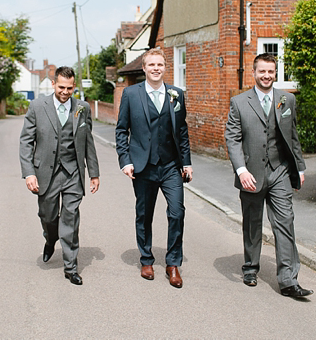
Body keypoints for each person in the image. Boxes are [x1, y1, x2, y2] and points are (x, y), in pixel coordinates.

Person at [224, 53, 313, 298]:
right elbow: (232, 138)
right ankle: (250, 268)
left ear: (276, 73)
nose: (266, 76)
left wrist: (300, 168)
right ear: (254, 73)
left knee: (285, 223)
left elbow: (292, 136)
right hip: (251, 174)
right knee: (253, 224)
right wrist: (241, 170)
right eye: (262, 71)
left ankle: (288, 280)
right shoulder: (239, 102)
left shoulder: (287, 100)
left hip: (280, 171)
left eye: (270, 72)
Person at [115, 47, 193, 288]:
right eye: (152, 65)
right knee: (144, 215)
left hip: (170, 165)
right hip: (143, 166)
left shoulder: (176, 94)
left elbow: (182, 131)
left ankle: (172, 264)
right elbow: (121, 131)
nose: (156, 68)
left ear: (165, 67)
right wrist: (126, 161)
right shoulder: (130, 94)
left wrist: (187, 162)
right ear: (144, 68)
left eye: (160, 65)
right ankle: (146, 259)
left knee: (177, 212)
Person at [19, 66, 100, 286]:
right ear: (53, 84)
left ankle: (70, 267)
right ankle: (50, 238)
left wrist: (94, 172)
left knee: (70, 218)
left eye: (70, 88)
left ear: (75, 86)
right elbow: (26, 142)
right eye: (61, 87)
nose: (65, 92)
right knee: (47, 216)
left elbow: (88, 141)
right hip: (46, 172)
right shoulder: (37, 106)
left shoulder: (82, 108)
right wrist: (29, 173)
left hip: (73, 172)